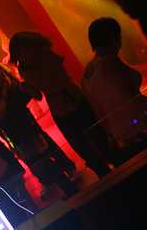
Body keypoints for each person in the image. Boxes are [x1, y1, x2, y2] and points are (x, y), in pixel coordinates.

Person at [0, 44, 79, 199]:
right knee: (38, 148)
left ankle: (65, 181)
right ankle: (60, 177)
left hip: (15, 117)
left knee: (37, 151)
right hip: (13, 117)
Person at [8, 31, 112, 178]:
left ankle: (118, 165)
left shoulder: (47, 55)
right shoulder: (24, 69)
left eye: (27, 49)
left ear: (34, 45)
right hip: (58, 108)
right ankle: (105, 175)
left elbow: (61, 80)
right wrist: (27, 88)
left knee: (100, 137)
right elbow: (38, 95)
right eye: (20, 53)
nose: (25, 55)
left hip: (73, 98)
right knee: (81, 148)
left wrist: (38, 80)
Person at [82, 18, 147, 162]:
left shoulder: (86, 74)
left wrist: (112, 136)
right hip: (142, 132)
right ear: (114, 37)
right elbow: (135, 101)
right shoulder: (110, 62)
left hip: (124, 140)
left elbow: (100, 114)